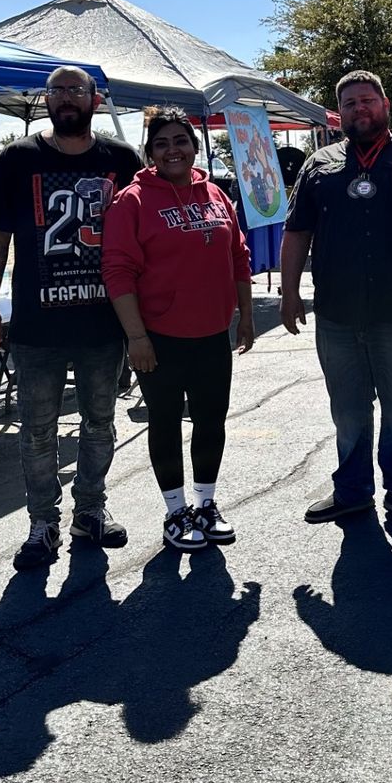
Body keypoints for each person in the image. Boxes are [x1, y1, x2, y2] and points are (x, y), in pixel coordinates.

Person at [0, 67, 143, 570]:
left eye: (77, 90)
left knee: (100, 424)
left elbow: (145, 233)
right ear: (45, 99)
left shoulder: (121, 158)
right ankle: (42, 524)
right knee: (36, 431)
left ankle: (89, 511)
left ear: (95, 99)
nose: (67, 98)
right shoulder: (19, 157)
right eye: (57, 91)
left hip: (102, 325)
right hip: (36, 326)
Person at [102, 108, 255, 552]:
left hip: (211, 335)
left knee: (211, 421)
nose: (174, 150)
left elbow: (238, 257)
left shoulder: (215, 194)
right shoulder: (133, 200)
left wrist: (244, 316)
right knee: (165, 424)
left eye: (181, 141)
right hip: (159, 338)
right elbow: (118, 271)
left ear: (194, 146)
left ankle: (206, 505)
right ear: (150, 153)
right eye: (163, 144)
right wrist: (137, 337)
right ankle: (175, 512)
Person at [281, 71, 392, 526]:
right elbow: (297, 231)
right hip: (338, 314)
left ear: (385, 104)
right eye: (349, 103)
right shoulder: (319, 164)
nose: (359, 109)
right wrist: (289, 294)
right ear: (338, 112)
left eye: (367, 100)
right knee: (347, 408)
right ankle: (353, 489)